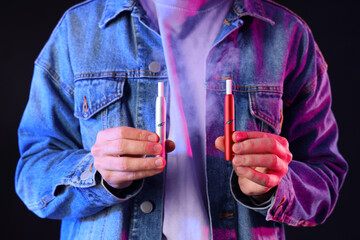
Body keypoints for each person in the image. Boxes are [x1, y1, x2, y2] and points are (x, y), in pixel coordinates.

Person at [15, 0, 348, 239]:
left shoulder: (287, 35)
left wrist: (274, 186)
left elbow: (325, 178)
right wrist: (96, 173)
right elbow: (32, 176)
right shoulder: (79, 30)